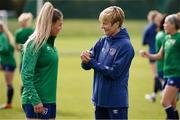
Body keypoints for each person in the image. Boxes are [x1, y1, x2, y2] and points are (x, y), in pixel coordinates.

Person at [81, 6, 134, 119]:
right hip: (99, 101)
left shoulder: (126, 46)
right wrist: (85, 60)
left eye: (105, 23)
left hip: (116, 102)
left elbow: (114, 73)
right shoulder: (102, 40)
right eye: (102, 23)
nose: (102, 27)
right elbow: (87, 65)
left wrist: (92, 62)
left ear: (116, 24)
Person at [21, 2, 63, 119]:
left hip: (50, 99)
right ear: (50, 24)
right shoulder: (34, 44)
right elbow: (26, 75)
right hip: (36, 101)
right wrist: (35, 100)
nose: (61, 28)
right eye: (59, 25)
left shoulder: (51, 46)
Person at [139, 13, 180, 119]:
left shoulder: (179, 38)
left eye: (166, 23)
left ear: (173, 24)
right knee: (173, 104)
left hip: (176, 75)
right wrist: (147, 55)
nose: (164, 25)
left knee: (164, 101)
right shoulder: (166, 38)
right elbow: (159, 55)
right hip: (167, 74)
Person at [142, 10, 162, 102]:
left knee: (156, 75)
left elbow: (144, 42)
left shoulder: (148, 28)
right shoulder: (161, 28)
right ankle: (154, 95)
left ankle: (163, 92)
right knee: (159, 74)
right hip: (161, 53)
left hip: (152, 54)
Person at [15, 12, 34, 94]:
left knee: (24, 82)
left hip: (23, 60)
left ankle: (23, 100)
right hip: (32, 60)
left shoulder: (18, 32)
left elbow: (16, 47)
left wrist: (23, 49)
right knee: (32, 82)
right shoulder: (33, 31)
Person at [0, 21, 16, 109]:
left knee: (9, 84)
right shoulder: (5, 35)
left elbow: (5, 49)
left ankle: (9, 104)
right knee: (8, 84)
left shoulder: (2, 36)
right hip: (5, 62)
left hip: (9, 63)